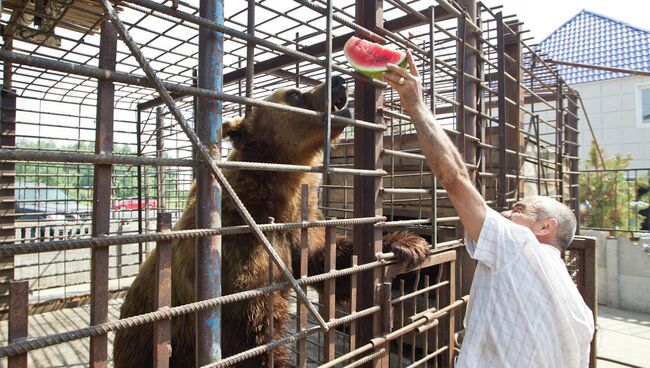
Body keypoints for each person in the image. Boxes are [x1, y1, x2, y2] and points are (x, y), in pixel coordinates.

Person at [383, 51, 595, 367]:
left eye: (519, 209)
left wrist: (415, 105)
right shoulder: (582, 312)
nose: (506, 214)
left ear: (545, 227)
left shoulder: (519, 246)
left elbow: (453, 178)